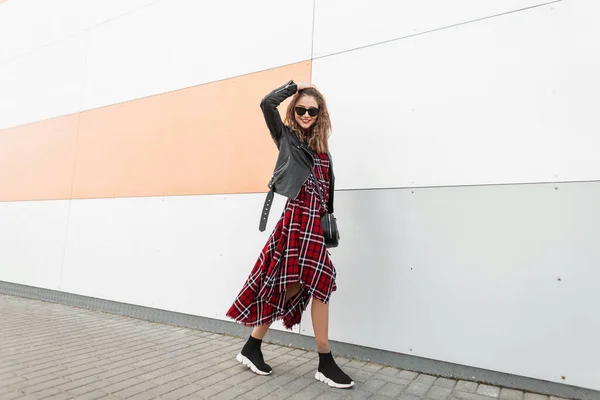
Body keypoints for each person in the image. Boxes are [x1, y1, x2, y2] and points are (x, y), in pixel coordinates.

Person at [226, 80, 354, 388]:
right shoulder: (285, 138)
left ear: (320, 113)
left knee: (293, 287)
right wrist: (293, 88)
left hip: (314, 226)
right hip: (296, 222)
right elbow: (266, 104)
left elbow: (326, 192)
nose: (306, 115)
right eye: (301, 109)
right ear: (293, 111)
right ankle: (325, 361)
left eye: (313, 110)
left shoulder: (323, 151)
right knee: (320, 283)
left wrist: (326, 227)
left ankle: (252, 346)